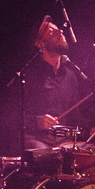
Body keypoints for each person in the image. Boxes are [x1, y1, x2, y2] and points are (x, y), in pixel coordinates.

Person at [25, 17, 87, 150]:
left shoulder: (70, 76)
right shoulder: (28, 76)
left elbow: (75, 117)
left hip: (64, 142)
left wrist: (92, 128)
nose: (60, 31)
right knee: (43, 153)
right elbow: (11, 117)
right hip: (37, 140)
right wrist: (37, 121)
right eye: (51, 31)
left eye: (58, 28)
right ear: (40, 44)